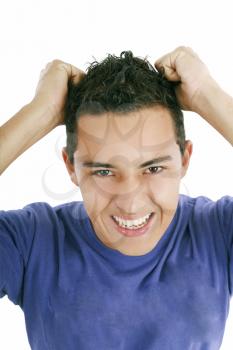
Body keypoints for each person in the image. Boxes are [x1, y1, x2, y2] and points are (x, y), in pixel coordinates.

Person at [0, 46, 232, 350]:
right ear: (71, 166)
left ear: (184, 159)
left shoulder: (218, 232)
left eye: (153, 168)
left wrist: (207, 94)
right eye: (104, 172)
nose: (131, 202)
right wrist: (39, 111)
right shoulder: (30, 242)